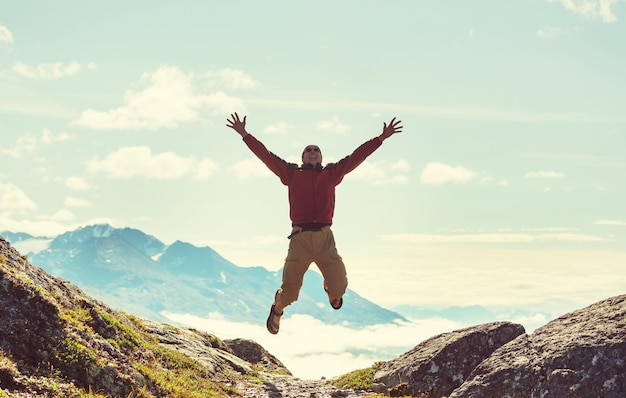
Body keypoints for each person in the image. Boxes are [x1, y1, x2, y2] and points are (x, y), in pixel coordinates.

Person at [226, 112, 403, 334]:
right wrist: (244, 134)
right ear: (302, 157)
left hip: (324, 239)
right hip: (299, 239)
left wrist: (380, 138)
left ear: (321, 157)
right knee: (290, 294)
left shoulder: (331, 173)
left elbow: (356, 156)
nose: (312, 152)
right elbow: (267, 156)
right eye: (308, 150)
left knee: (339, 288)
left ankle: (331, 288)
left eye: (316, 150)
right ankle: (277, 309)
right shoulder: (291, 173)